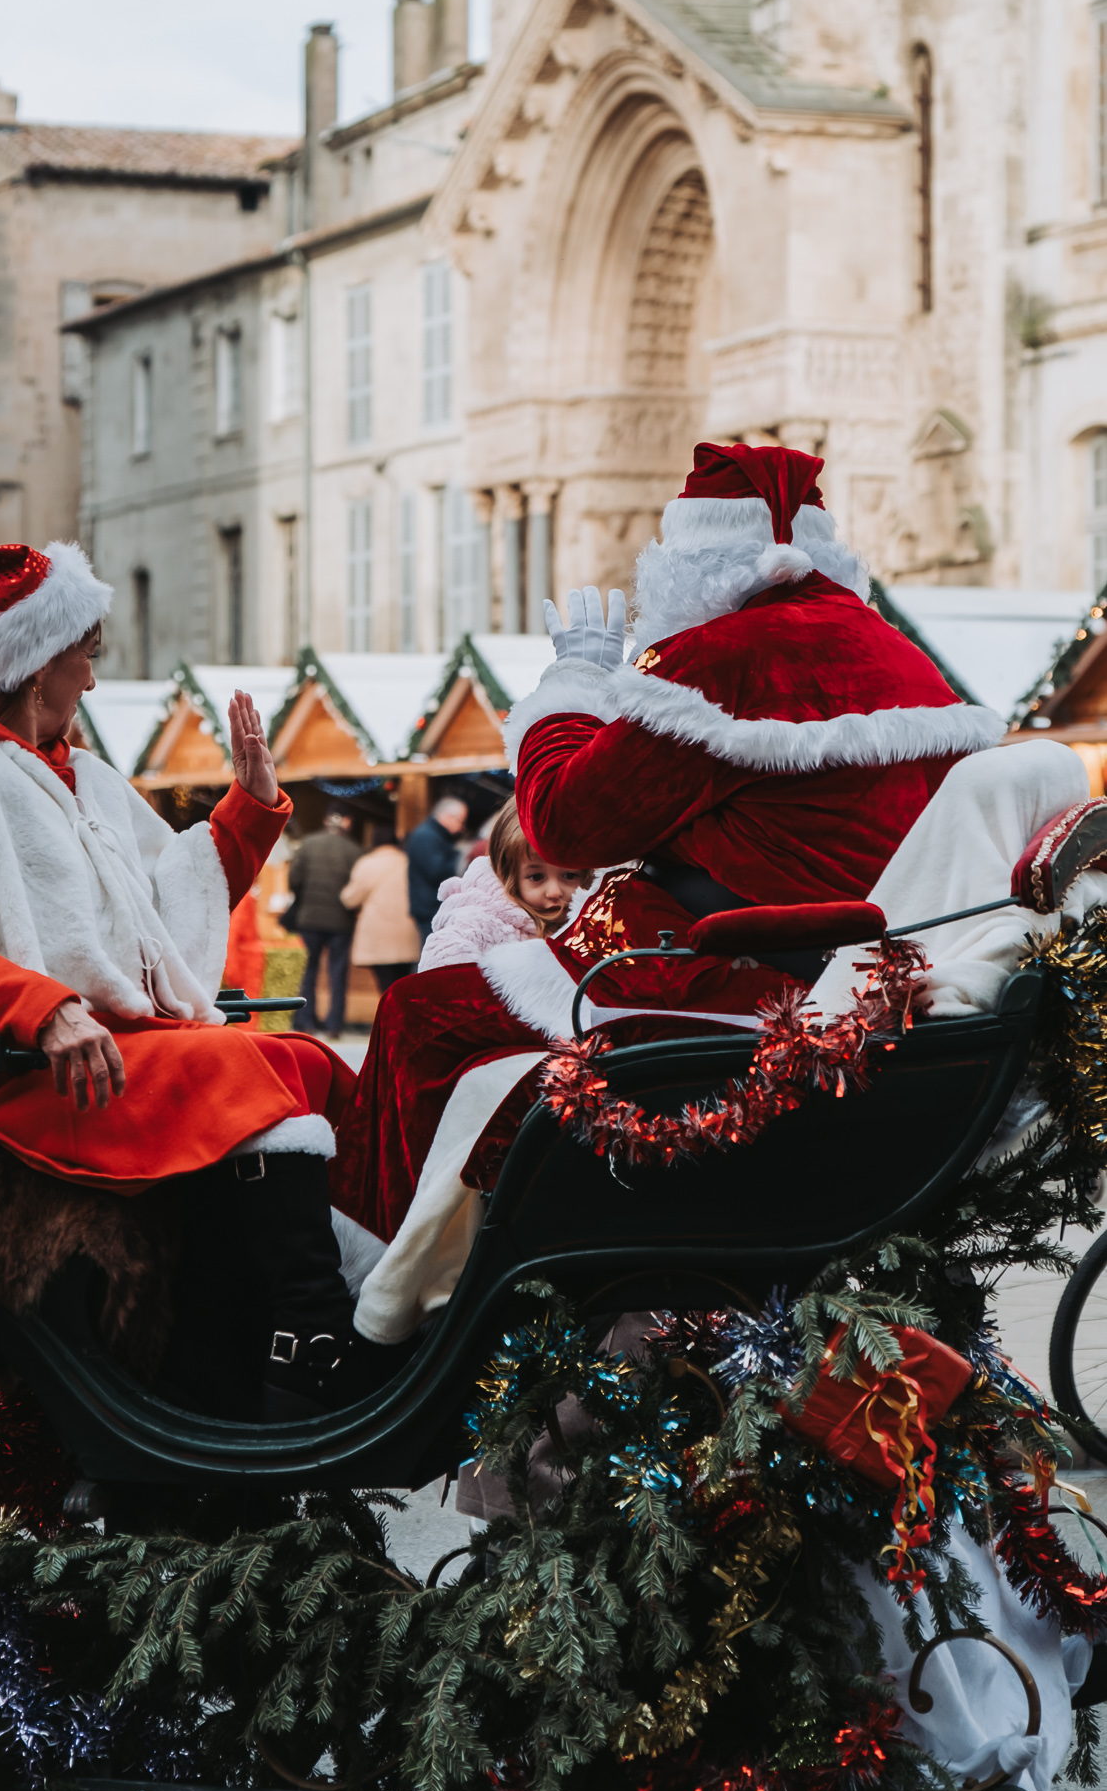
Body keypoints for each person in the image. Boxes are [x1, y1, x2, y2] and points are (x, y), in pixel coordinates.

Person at [332, 442, 1005, 1344]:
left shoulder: (717, 661)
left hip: (712, 985)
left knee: (420, 1014)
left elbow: (566, 826)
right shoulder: (905, 662)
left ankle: (383, 1305)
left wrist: (570, 686)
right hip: (846, 984)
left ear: (698, 558)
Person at [0, 537, 357, 1410]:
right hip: (7, 1075)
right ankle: (309, 1323)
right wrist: (46, 1011)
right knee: (238, 1064)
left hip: (98, 1058)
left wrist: (249, 810)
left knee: (299, 1057)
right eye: (87, 656)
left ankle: (309, 1314)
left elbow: (161, 904)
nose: (94, 681)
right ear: (37, 665)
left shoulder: (85, 777)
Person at [419, 798, 593, 972]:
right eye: (536, 877)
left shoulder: (595, 921)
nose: (554, 892)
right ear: (508, 875)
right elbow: (444, 964)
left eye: (570, 875)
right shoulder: (481, 922)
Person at [286, 808, 361, 1035]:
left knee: (308, 971)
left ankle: (305, 1021)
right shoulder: (354, 850)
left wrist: (303, 898)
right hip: (341, 922)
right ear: (347, 821)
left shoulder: (308, 844)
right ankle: (334, 1024)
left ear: (325, 819)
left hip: (309, 918)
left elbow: (293, 880)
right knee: (337, 973)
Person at [340, 827, 421, 992]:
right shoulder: (408, 862)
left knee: (386, 986)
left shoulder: (367, 863)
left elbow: (350, 899)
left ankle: (391, 1015)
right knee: (404, 984)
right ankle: (402, 1015)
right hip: (407, 931)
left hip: (378, 933)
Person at [403, 794, 468, 942]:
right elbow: (437, 871)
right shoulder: (426, 836)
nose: (461, 827)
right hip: (430, 908)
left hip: (430, 906)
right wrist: (461, 857)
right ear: (447, 816)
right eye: (460, 821)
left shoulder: (432, 835)